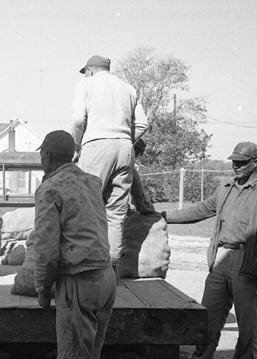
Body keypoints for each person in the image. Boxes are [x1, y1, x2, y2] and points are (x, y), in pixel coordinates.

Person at [163, 142, 257, 359]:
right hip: (220, 260)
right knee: (207, 322)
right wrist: (163, 216)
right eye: (234, 162)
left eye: (242, 162)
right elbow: (199, 210)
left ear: (256, 162)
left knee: (247, 327)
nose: (236, 166)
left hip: (248, 263)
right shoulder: (225, 188)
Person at [33, 130, 116, 359]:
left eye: (42, 154)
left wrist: (42, 288)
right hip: (106, 278)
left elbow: (45, 249)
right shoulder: (92, 182)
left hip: (80, 282)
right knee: (91, 354)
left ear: (47, 155)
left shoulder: (51, 189)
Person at [69, 54, 149, 269]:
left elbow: (78, 119)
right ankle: (111, 271)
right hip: (125, 148)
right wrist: (124, 138)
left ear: (90, 70)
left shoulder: (86, 84)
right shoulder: (129, 88)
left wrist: (76, 146)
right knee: (116, 212)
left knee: (86, 207)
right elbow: (142, 124)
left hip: (96, 146)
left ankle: (85, 268)